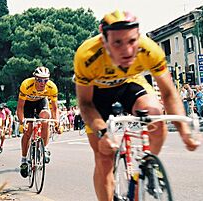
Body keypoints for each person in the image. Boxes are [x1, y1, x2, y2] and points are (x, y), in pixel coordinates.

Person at [73, 10, 199, 201]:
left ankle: (147, 168)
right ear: (104, 40)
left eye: (132, 41)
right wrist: (102, 132)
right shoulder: (87, 55)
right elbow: (85, 103)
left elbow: (168, 92)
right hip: (97, 94)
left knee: (155, 115)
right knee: (104, 157)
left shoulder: (149, 49)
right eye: (117, 43)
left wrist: (184, 131)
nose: (127, 51)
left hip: (129, 83)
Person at [17, 66, 60, 178]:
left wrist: (57, 123)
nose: (42, 83)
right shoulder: (26, 85)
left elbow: (55, 109)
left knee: (45, 118)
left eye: (45, 80)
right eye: (39, 80)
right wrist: (22, 123)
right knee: (28, 130)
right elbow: (20, 108)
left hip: (41, 101)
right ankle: (24, 160)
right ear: (35, 78)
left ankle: (44, 148)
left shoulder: (52, 87)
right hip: (28, 104)